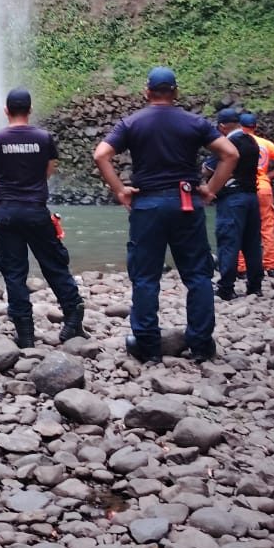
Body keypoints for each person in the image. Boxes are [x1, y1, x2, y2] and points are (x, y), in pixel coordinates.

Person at [93, 67, 239, 364]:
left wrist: (120, 189)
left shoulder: (132, 123)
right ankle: (200, 343)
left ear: (147, 92)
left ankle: (146, 344)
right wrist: (210, 190)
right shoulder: (194, 122)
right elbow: (231, 154)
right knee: (197, 275)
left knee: (146, 277)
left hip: (147, 206)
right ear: (175, 92)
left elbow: (101, 155)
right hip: (185, 203)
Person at [0, 88, 86, 348]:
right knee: (54, 264)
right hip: (36, 210)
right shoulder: (43, 138)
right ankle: (73, 316)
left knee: (14, 272)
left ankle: (26, 333)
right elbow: (47, 172)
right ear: (30, 110)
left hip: (7, 212)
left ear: (6, 110)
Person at [205, 108, 264, 300]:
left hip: (233, 199)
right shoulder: (252, 142)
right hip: (252, 197)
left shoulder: (229, 142)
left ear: (222, 127)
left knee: (229, 241)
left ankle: (226, 287)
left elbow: (208, 168)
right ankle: (255, 286)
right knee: (252, 243)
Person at [238, 111, 274, 278]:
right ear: (255, 127)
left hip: (243, 186)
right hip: (263, 187)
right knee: (267, 228)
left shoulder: (236, 142)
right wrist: (269, 176)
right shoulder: (265, 144)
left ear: (240, 126)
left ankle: (241, 267)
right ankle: (271, 267)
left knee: (241, 226)